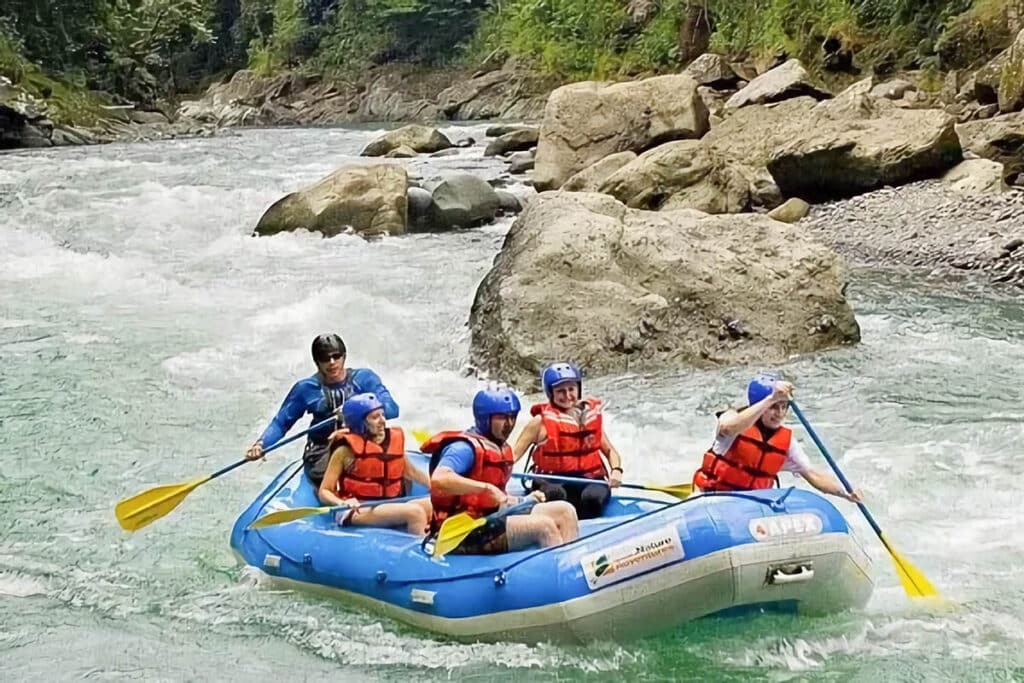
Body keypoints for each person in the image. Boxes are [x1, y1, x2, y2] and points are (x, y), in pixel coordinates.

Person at [421, 386, 579, 555]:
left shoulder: (500, 446)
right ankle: (559, 575)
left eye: (512, 417)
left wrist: (524, 500)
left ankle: (572, 565)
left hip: (492, 517)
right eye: (503, 418)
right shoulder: (463, 448)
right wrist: (485, 488)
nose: (509, 424)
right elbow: (439, 479)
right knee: (544, 526)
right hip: (464, 529)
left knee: (565, 511)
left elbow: (498, 500)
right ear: (485, 419)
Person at [245, 333, 399, 485]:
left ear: (344, 357)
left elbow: (392, 409)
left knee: (388, 462)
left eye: (336, 356)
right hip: (323, 449)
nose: (332, 362)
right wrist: (261, 444)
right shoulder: (306, 389)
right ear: (317, 362)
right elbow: (281, 423)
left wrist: (355, 410)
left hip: (365, 441)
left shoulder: (365, 379)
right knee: (329, 473)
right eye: (325, 359)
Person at [693, 373, 863, 502]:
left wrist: (845, 493)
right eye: (774, 407)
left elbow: (813, 474)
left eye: (784, 407)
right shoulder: (731, 418)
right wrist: (771, 398)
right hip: (714, 500)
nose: (780, 413)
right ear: (761, 404)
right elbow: (729, 427)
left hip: (752, 508)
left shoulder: (786, 442)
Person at [511, 362, 625, 520]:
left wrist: (616, 470)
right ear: (551, 393)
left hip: (589, 478)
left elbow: (610, 451)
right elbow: (512, 456)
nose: (567, 395)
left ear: (578, 389)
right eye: (560, 391)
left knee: (593, 498)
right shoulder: (540, 422)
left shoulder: (588, 417)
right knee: (557, 497)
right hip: (552, 480)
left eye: (571, 389)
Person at [317, 393, 432, 535]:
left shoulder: (392, 441)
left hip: (391, 503)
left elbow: (411, 472)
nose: (382, 421)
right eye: (375, 417)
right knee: (415, 513)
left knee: (438, 504)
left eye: (382, 415)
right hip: (358, 508)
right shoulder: (345, 451)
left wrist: (439, 489)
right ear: (360, 422)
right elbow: (324, 491)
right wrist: (342, 503)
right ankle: (418, 553)